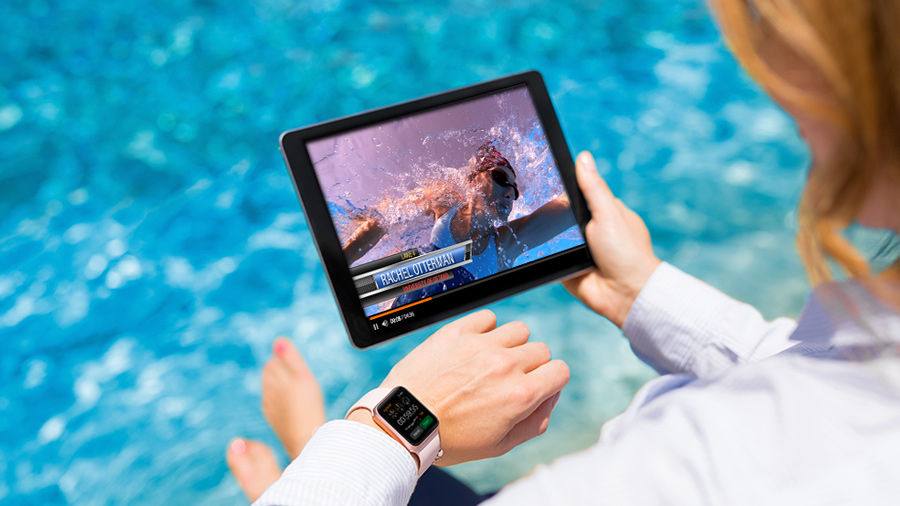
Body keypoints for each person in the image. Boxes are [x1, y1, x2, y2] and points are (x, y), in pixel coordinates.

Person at [228, 0, 900, 503]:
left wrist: (396, 424)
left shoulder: (689, 467)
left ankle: (304, 457)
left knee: (395, 475)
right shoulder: (449, 211)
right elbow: (803, 377)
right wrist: (646, 290)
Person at [341, 141, 576, 308]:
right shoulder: (444, 200)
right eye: (502, 179)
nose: (509, 193)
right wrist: (339, 266)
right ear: (475, 179)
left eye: (515, 191)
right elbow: (382, 221)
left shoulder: (507, 245)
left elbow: (570, 206)